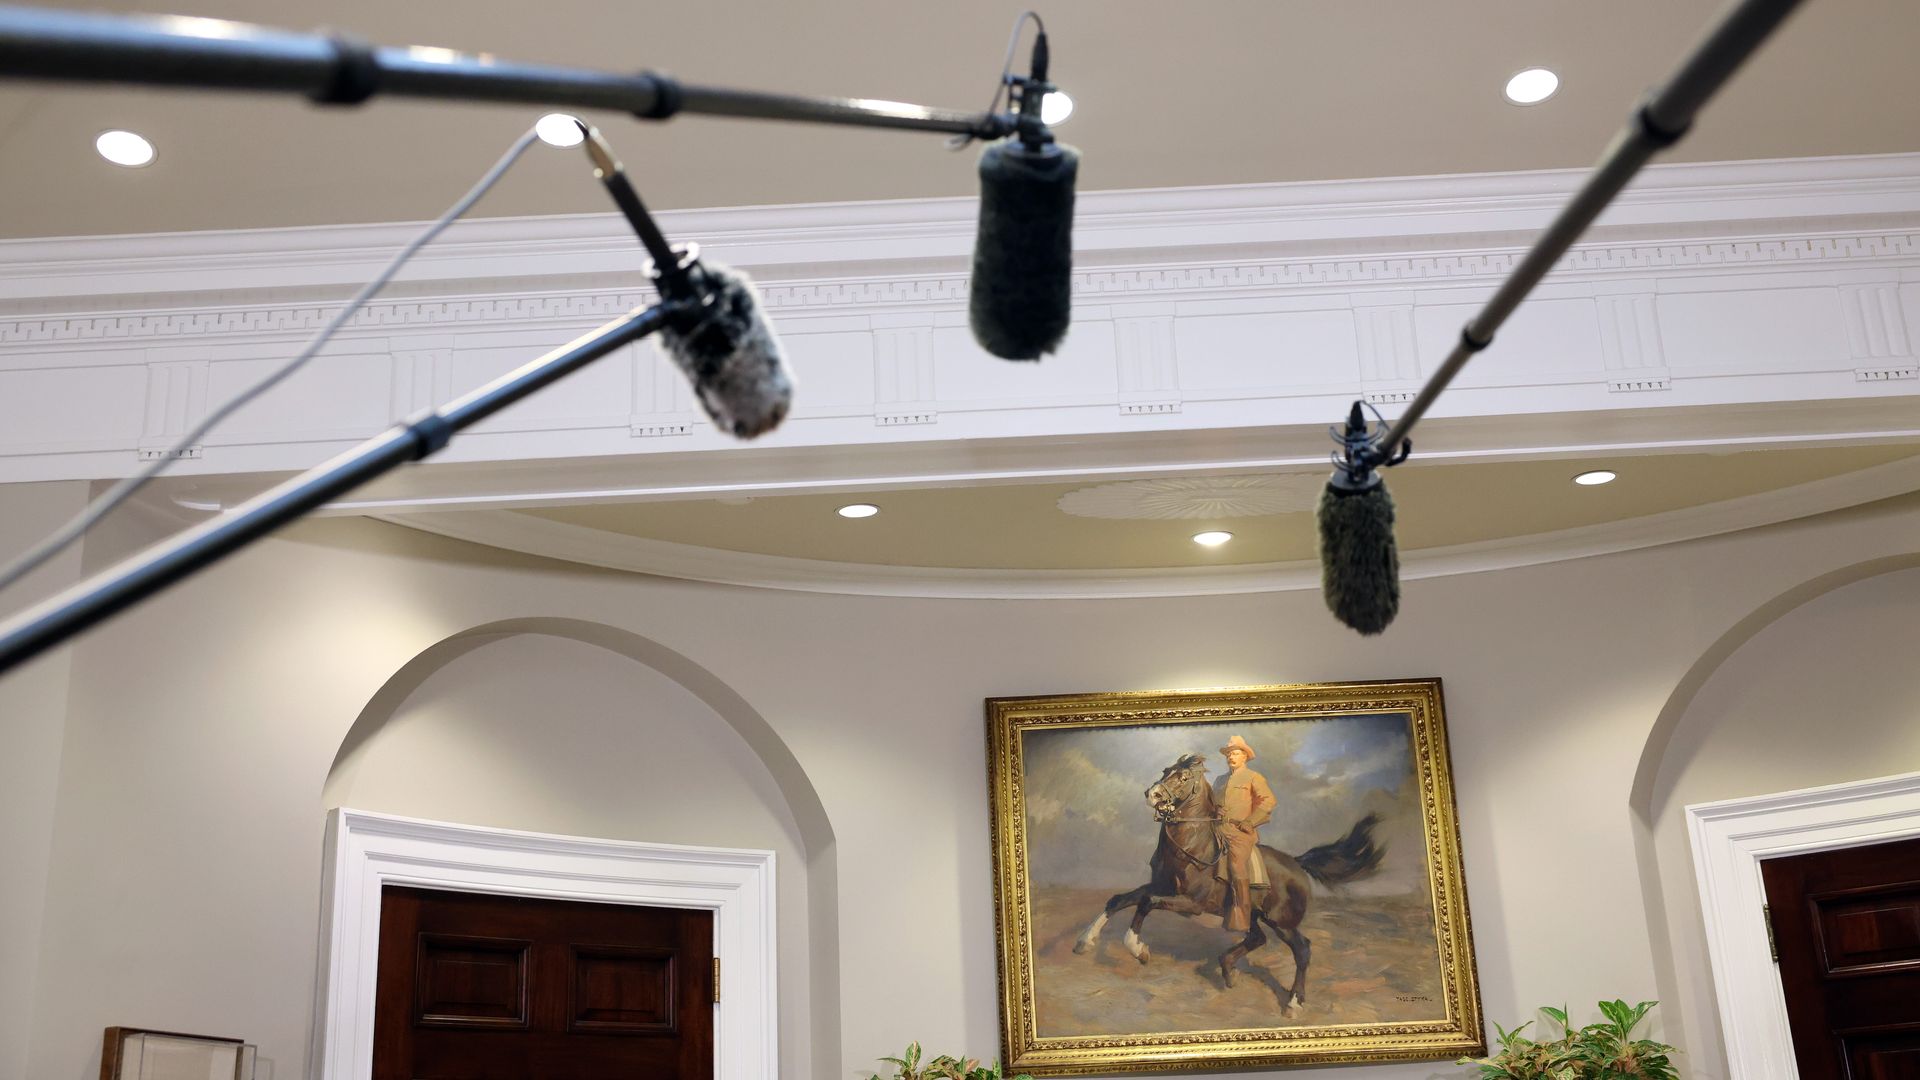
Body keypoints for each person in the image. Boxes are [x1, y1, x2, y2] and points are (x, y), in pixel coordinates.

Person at [1214, 734, 1274, 932]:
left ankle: (1241, 916)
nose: (1231, 757)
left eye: (1236, 753)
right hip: (1217, 828)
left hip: (1240, 832)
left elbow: (1268, 801)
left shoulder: (1253, 777)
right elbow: (1212, 803)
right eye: (1229, 754)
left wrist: (1251, 821)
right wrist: (1215, 810)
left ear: (1245, 757)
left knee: (1236, 864)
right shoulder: (1219, 780)